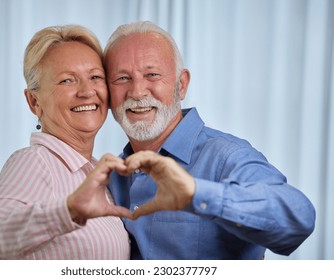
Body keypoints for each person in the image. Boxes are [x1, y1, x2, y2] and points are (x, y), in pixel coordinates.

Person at [103, 21, 316, 259]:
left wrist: (197, 194)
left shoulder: (226, 156)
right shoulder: (110, 177)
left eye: (152, 75)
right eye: (122, 78)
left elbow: (299, 219)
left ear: (181, 85)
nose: (137, 92)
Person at [0, 25, 132, 260]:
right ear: (34, 102)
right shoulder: (36, 162)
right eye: (67, 81)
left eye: (95, 77)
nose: (87, 91)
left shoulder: (95, 173)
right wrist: (68, 211)